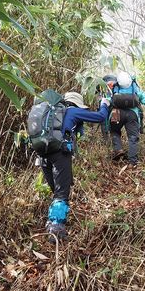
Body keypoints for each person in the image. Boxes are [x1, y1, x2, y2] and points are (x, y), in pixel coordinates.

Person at [40, 91, 110, 240]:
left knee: (57, 192)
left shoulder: (51, 113)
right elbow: (101, 117)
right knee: (61, 194)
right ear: (76, 104)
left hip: (42, 155)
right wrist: (104, 104)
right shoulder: (72, 111)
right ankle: (56, 229)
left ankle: (51, 222)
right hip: (60, 154)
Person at [109, 71, 145, 168]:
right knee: (133, 137)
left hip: (116, 112)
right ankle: (132, 162)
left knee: (114, 131)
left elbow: (109, 100)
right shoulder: (135, 89)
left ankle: (118, 149)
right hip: (132, 113)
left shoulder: (116, 88)